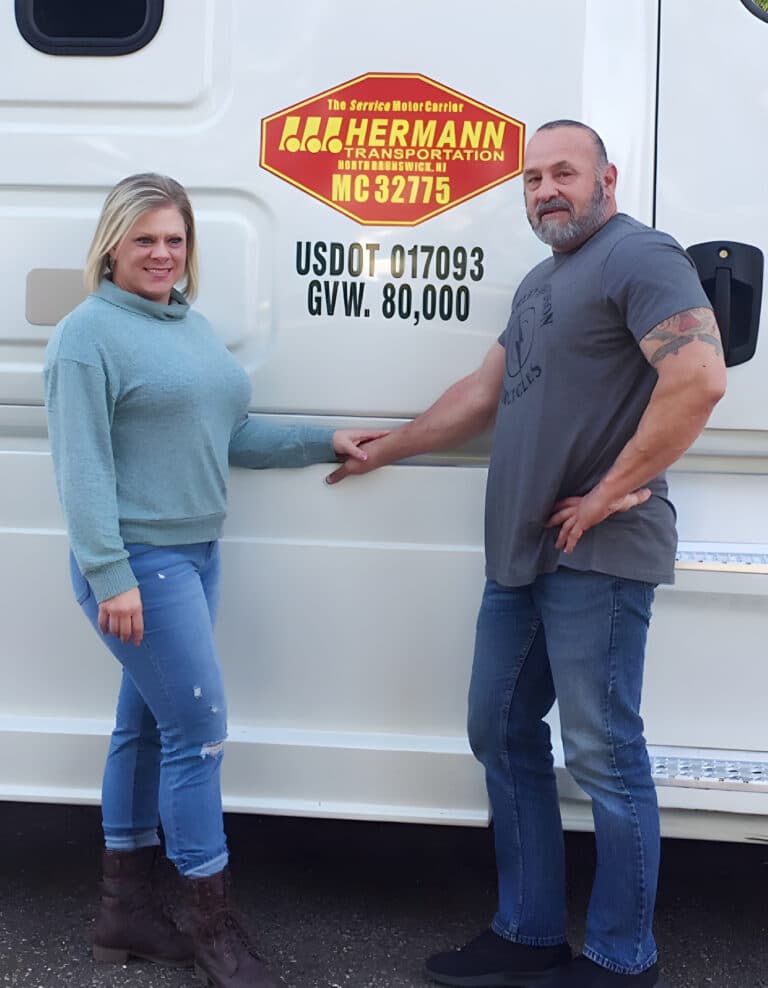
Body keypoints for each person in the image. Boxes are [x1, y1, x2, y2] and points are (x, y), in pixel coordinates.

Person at [325, 121, 726, 987]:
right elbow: (482, 393)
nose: (547, 189)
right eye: (533, 178)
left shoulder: (639, 255)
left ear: (606, 179)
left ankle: (624, 960)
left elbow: (699, 375)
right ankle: (527, 933)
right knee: (500, 731)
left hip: (597, 556)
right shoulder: (544, 281)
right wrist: (385, 446)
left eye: (564, 173)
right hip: (521, 558)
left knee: (603, 754)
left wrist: (615, 487)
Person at [43, 173, 386, 988]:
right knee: (199, 736)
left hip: (195, 555)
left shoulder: (189, 327)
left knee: (148, 730)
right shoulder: (86, 336)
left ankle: (122, 912)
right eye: (145, 239)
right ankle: (212, 930)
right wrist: (109, 573)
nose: (163, 254)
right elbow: (81, 468)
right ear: (111, 246)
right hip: (138, 566)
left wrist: (323, 438)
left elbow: (231, 431)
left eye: (175, 239)